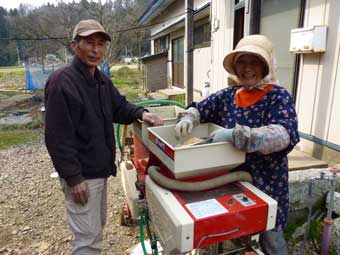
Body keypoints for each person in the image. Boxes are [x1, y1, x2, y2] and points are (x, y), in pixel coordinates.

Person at [44, 19, 162, 255]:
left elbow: (119, 107)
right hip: (82, 175)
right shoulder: (62, 82)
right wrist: (74, 178)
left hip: (98, 171)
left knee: (95, 229)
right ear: (74, 45)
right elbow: (57, 138)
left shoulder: (99, 79)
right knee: (87, 240)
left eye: (100, 44)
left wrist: (141, 112)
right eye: (89, 43)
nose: (96, 49)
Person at [175, 35, 299, 255]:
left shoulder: (277, 96)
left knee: (272, 237)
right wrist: (189, 117)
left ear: (266, 65)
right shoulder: (229, 95)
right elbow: (201, 108)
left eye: (254, 61)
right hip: (230, 179)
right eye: (242, 61)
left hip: (267, 182)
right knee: (232, 229)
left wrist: (235, 135)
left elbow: (283, 135)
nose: (247, 68)